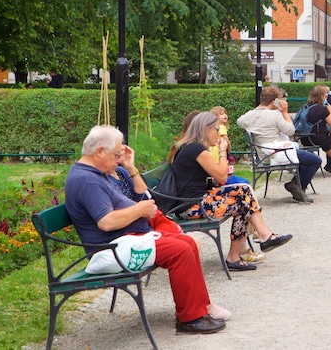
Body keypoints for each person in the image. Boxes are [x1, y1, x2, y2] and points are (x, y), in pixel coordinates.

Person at [65, 125, 228, 335]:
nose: (118, 160)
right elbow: (106, 222)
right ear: (99, 151)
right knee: (180, 250)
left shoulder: (98, 173)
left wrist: (139, 201)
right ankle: (190, 318)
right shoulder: (87, 180)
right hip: (112, 247)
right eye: (116, 155)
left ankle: (200, 308)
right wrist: (139, 210)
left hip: (129, 238)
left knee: (186, 243)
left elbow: (140, 198)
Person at [169, 111, 293, 272]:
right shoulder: (195, 149)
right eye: (216, 129)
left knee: (243, 199)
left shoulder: (191, 147)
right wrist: (222, 150)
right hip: (191, 207)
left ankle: (238, 254)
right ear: (206, 130)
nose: (219, 134)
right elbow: (221, 177)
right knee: (243, 194)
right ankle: (263, 236)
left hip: (196, 202)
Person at [236, 86, 322, 203]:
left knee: (303, 158)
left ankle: (296, 185)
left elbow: (239, 121)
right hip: (279, 154)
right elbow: (291, 131)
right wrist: (284, 112)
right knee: (315, 160)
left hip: (263, 156)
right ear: (274, 102)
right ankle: (297, 186)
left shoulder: (249, 115)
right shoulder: (274, 115)